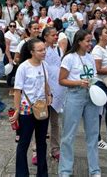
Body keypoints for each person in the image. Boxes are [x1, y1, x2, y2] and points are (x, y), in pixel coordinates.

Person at [58, 30, 100, 177]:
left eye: (91, 41)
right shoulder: (69, 58)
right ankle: (65, 170)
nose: (90, 44)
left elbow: (94, 75)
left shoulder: (90, 58)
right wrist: (78, 82)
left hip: (91, 96)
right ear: (79, 41)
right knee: (68, 135)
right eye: (88, 41)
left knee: (93, 134)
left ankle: (95, 170)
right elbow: (61, 80)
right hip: (75, 95)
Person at [10, 38, 51, 177]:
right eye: (40, 50)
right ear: (32, 52)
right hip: (26, 110)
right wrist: (17, 110)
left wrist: (49, 95)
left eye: (44, 49)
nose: (43, 52)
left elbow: (46, 82)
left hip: (42, 109)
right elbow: (17, 90)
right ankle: (21, 174)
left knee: (42, 143)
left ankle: (43, 173)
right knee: (24, 143)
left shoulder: (44, 65)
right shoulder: (24, 67)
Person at [41, 26, 66, 161]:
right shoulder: (40, 50)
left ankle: (55, 148)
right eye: (52, 35)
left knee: (55, 122)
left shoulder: (58, 50)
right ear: (45, 37)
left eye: (56, 35)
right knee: (40, 120)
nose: (55, 37)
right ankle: (36, 150)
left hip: (56, 90)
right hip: (42, 91)